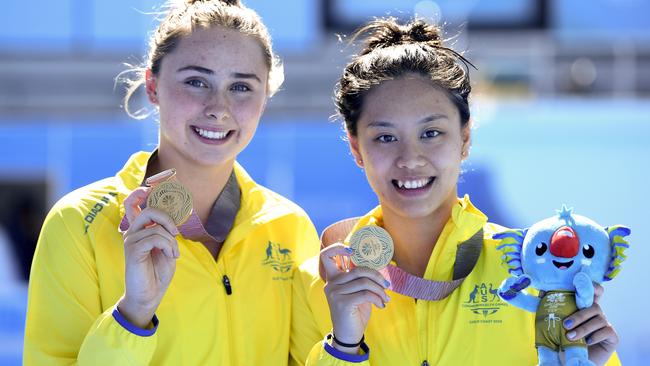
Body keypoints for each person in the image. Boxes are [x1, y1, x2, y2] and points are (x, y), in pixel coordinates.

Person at [290, 18, 620, 365]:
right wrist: (343, 346)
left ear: (465, 138)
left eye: (431, 133)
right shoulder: (321, 283)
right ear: (356, 147)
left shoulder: (534, 271)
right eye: (385, 137)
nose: (410, 159)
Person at [24, 0, 320, 364]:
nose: (218, 107)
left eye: (241, 87)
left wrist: (348, 341)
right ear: (153, 86)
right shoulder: (78, 223)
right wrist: (134, 313)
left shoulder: (288, 227)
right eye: (196, 82)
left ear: (264, 98)